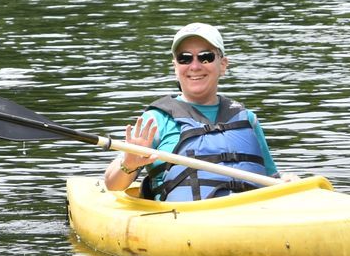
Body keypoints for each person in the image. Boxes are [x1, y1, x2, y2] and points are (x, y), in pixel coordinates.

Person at [104, 21, 278, 202]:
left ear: (223, 65)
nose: (195, 66)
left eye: (205, 57)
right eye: (185, 58)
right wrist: (128, 165)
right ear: (176, 67)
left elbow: (274, 181)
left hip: (253, 212)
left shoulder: (248, 119)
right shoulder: (156, 120)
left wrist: (290, 182)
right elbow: (112, 184)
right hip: (186, 219)